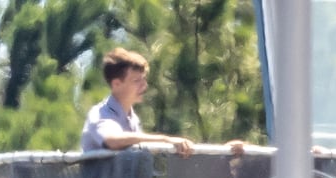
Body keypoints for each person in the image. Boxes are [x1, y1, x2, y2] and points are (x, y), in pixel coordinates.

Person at [81, 48, 234, 156]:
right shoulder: (100, 114)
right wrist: (166, 140)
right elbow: (112, 140)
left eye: (143, 80)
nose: (144, 86)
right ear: (116, 84)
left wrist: (222, 153)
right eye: (136, 81)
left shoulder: (132, 118)